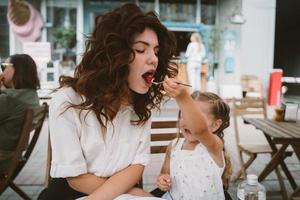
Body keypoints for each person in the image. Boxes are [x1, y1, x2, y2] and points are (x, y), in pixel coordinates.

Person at [40, 3, 177, 200]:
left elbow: (137, 166)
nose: (153, 59)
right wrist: (133, 193)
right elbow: (76, 178)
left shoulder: (140, 106)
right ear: (113, 55)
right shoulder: (67, 100)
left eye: (156, 51)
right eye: (140, 49)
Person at [156, 77, 232, 200]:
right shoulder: (174, 145)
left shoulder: (214, 145)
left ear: (215, 125)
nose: (188, 122)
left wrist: (182, 96)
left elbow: (200, 130)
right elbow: (165, 172)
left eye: (196, 118)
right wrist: (162, 179)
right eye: (184, 114)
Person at [0, 54, 40, 173]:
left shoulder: (8, 100)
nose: (1, 71)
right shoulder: (31, 97)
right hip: (12, 158)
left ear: (17, 69)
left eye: (4, 67)